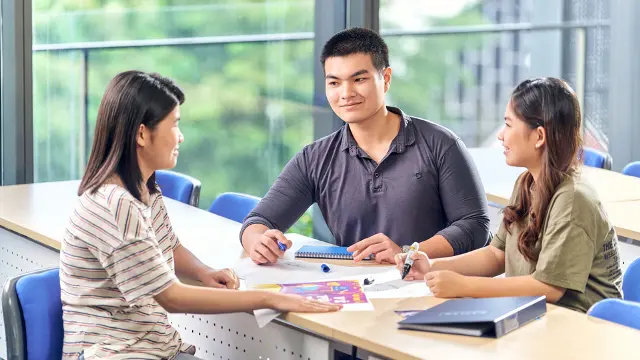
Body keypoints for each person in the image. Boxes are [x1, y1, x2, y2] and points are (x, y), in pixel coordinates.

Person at [60, 71, 341, 360]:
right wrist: (269, 298)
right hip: (114, 354)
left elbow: (169, 246)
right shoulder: (115, 204)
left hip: (150, 348)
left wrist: (203, 272)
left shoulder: (143, 187)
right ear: (142, 134)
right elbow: (172, 297)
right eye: (175, 124)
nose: (180, 136)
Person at [240, 27, 490, 265]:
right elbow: (259, 220)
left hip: (433, 286)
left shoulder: (440, 144)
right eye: (334, 83)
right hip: (358, 289)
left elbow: (475, 225)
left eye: (358, 79)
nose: (346, 93)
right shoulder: (315, 158)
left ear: (386, 78)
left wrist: (408, 253)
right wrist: (258, 241)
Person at [395, 77, 623, 313]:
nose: (501, 135)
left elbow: (549, 288)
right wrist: (431, 266)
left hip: (578, 329)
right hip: (536, 318)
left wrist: (464, 285)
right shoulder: (527, 183)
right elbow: (496, 255)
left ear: (539, 137)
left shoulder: (573, 200)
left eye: (509, 124)